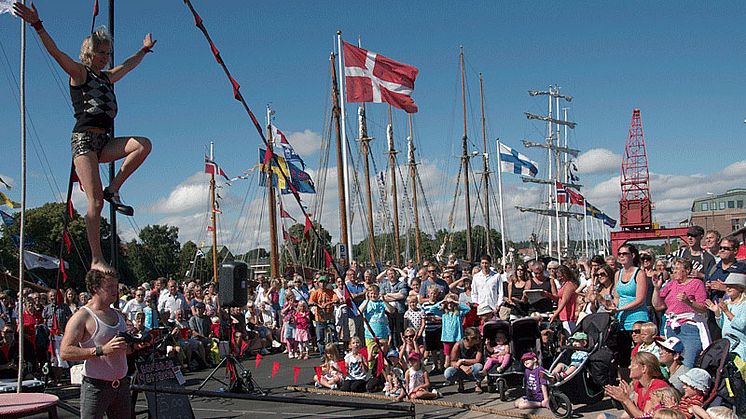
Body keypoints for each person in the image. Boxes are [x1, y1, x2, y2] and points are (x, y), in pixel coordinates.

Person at [13, 3, 153, 273]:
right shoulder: (80, 73)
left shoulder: (108, 78)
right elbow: (56, 53)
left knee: (143, 145)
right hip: (84, 142)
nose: (105, 58)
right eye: (101, 53)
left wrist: (144, 51)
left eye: (107, 54)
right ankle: (96, 257)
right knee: (95, 202)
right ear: (90, 53)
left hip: (104, 141)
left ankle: (114, 188)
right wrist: (38, 25)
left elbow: (129, 65)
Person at [60, 269, 146, 419]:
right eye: (110, 287)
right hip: (96, 387)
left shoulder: (118, 314)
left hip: (122, 384)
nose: (115, 291)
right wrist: (101, 350)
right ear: (95, 288)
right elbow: (65, 352)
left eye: (116, 286)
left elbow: (122, 351)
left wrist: (136, 345)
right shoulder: (82, 317)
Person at [652, 258, 708, 367]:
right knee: (672, 364)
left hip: (688, 328)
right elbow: (657, 306)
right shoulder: (672, 284)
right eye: (673, 269)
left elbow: (703, 308)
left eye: (677, 268)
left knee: (687, 363)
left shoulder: (697, 283)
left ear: (687, 270)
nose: (674, 271)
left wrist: (689, 302)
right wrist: (656, 289)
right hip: (671, 327)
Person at [613, 244, 649, 367]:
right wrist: (613, 307)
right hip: (622, 319)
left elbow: (640, 299)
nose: (621, 256)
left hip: (637, 318)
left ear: (632, 255)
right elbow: (617, 296)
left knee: (639, 357)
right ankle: (625, 384)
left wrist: (620, 309)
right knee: (623, 358)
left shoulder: (639, 273)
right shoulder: (618, 273)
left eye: (624, 254)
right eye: (619, 254)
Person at [604, 352, 670, 419]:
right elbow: (632, 414)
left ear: (644, 368)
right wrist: (621, 398)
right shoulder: (639, 385)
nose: (629, 367)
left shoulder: (657, 386)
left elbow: (645, 417)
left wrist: (625, 399)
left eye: (633, 365)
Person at [706, 273, 746, 361]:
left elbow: (741, 325)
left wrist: (727, 311)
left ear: (740, 288)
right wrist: (717, 312)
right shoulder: (727, 303)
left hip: (740, 347)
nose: (728, 288)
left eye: (731, 286)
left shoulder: (744, 304)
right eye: (727, 286)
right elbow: (722, 326)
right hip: (727, 346)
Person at [359, 284, 395, 370]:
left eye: (375, 293)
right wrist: (367, 300)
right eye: (371, 293)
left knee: (382, 355)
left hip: (382, 334)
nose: (373, 295)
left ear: (378, 293)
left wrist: (385, 301)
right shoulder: (366, 303)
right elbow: (359, 311)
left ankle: (382, 371)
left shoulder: (381, 303)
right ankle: (372, 371)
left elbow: (392, 310)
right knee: (371, 354)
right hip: (370, 334)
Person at [443, 327, 484, 393]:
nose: (477, 339)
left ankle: (478, 384)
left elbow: (477, 360)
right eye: (474, 338)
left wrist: (462, 361)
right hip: (461, 367)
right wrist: (462, 366)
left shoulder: (479, 345)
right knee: (448, 372)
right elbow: (453, 361)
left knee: (479, 367)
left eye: (479, 337)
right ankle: (460, 382)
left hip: (473, 366)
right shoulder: (458, 344)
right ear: (466, 338)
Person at [309, 275, 338, 357]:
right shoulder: (315, 293)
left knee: (334, 335)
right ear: (318, 283)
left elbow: (336, 299)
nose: (323, 284)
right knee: (320, 338)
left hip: (329, 316)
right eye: (321, 282)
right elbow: (310, 301)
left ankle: (334, 353)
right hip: (320, 317)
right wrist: (315, 304)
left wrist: (328, 303)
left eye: (324, 282)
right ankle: (322, 355)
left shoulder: (331, 292)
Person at [548, 265, 579, 334]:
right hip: (563, 315)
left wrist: (555, 314)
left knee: (570, 334)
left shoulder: (570, 284)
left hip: (569, 315)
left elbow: (564, 301)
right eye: (558, 277)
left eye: (561, 276)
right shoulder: (564, 284)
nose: (559, 278)